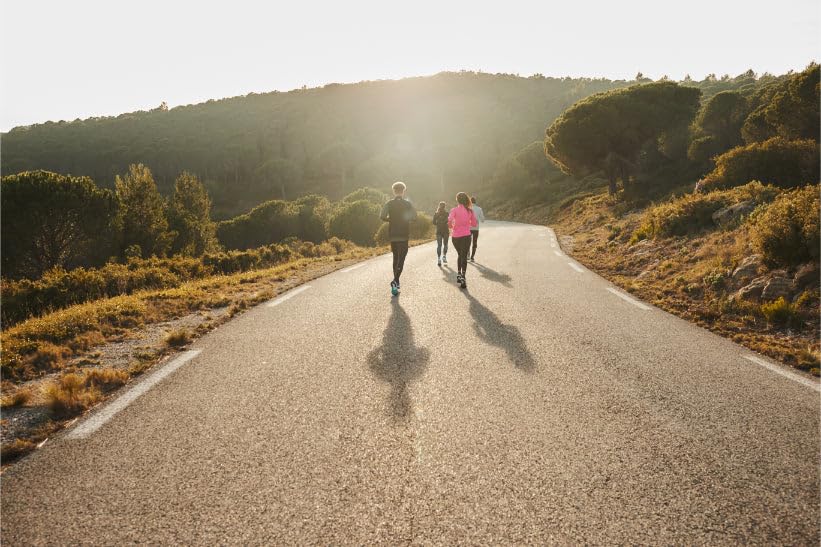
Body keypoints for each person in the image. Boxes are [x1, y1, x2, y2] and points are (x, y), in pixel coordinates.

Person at [380, 181, 416, 295]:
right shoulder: (407, 204)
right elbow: (415, 217)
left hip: (393, 234)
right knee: (402, 259)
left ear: (394, 191)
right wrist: (406, 219)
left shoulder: (389, 203)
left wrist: (391, 220)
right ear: (403, 191)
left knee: (395, 258)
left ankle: (396, 282)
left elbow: (382, 216)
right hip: (404, 234)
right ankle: (395, 281)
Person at [448, 192, 477, 289]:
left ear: (457, 200)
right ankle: (462, 276)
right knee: (463, 255)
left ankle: (459, 274)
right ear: (466, 200)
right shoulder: (470, 211)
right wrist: (467, 222)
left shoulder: (454, 210)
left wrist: (452, 226)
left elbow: (449, 220)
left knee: (460, 255)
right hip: (466, 235)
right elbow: (474, 223)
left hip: (455, 236)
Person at [432, 201, 449, 266]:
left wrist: (438, 224)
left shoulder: (436, 213)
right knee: (445, 244)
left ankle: (439, 259)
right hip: (445, 231)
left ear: (439, 206)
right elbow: (448, 221)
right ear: (445, 206)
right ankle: (444, 256)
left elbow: (433, 222)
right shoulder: (447, 213)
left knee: (439, 245)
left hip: (438, 231)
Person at [469, 196, 485, 261]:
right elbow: (482, 220)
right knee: (474, 242)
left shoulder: (467, 208)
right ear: (475, 202)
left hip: (468, 228)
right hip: (476, 228)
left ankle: (467, 255)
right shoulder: (479, 209)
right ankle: (472, 257)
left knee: (467, 242)